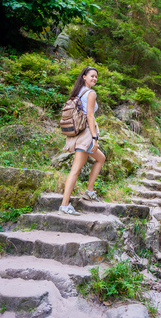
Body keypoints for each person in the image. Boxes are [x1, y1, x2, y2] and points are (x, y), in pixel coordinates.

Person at [59, 66, 105, 215]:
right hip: (85, 133)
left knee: (101, 158)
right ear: (84, 77)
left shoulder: (77, 92)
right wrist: (94, 138)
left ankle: (89, 191)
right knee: (75, 170)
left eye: (96, 77)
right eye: (92, 76)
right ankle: (65, 205)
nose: (94, 79)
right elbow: (90, 116)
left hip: (76, 132)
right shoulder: (90, 93)